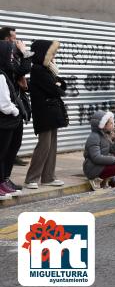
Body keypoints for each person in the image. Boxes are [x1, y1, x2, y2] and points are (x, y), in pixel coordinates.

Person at [24, 40, 69, 189]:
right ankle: (31, 178)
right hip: (44, 113)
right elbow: (55, 90)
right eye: (52, 52)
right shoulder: (38, 69)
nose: (54, 56)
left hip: (51, 112)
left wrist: (57, 85)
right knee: (44, 146)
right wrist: (57, 86)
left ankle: (48, 177)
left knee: (52, 146)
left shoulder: (47, 69)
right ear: (44, 53)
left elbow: (61, 86)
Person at [1, 27, 33, 167]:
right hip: (8, 106)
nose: (17, 41)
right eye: (14, 38)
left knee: (15, 142)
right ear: (7, 39)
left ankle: (6, 177)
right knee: (7, 146)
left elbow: (20, 73)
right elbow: (22, 69)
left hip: (16, 102)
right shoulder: (4, 54)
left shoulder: (12, 54)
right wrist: (25, 52)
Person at [0, 42, 27, 199]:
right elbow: (4, 104)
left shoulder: (4, 73)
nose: (12, 56)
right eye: (9, 53)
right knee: (2, 153)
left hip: (6, 120)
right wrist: (15, 111)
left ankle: (3, 182)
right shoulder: (1, 75)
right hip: (5, 120)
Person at [83, 110, 115, 189]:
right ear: (103, 125)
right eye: (111, 123)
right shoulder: (94, 137)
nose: (113, 125)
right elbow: (96, 158)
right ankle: (96, 180)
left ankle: (105, 181)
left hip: (102, 165)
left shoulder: (105, 135)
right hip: (93, 168)